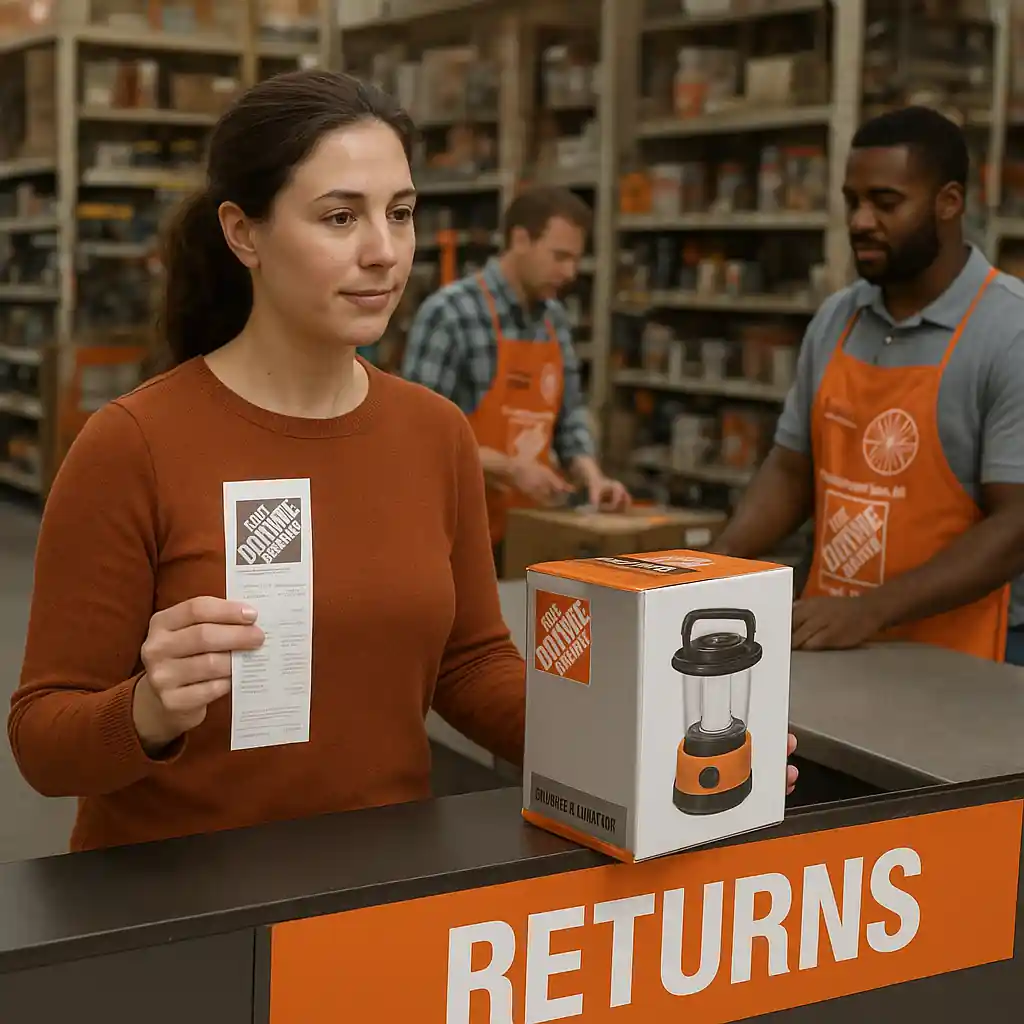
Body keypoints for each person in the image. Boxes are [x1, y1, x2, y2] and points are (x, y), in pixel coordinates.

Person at [9, 71, 798, 853]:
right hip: (184, 912)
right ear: (243, 232)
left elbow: (471, 665)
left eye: (400, 213)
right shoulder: (134, 444)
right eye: (340, 217)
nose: (384, 253)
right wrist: (147, 708)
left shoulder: (434, 433)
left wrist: (630, 741)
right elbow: (43, 738)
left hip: (382, 896)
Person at [711, 106, 1024, 663]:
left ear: (948, 203)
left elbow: (1016, 525)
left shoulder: (1008, 331)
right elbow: (791, 468)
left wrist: (870, 609)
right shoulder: (838, 317)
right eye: (852, 201)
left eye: (885, 202)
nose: (859, 221)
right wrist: (716, 564)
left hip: (951, 663)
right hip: (825, 643)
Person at [401, 186, 630, 565]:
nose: (569, 272)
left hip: (531, 531)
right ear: (520, 239)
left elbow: (569, 414)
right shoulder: (451, 313)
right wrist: (510, 469)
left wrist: (592, 476)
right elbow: (419, 436)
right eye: (559, 257)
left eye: (575, 259)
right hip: (457, 537)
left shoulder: (553, 319)